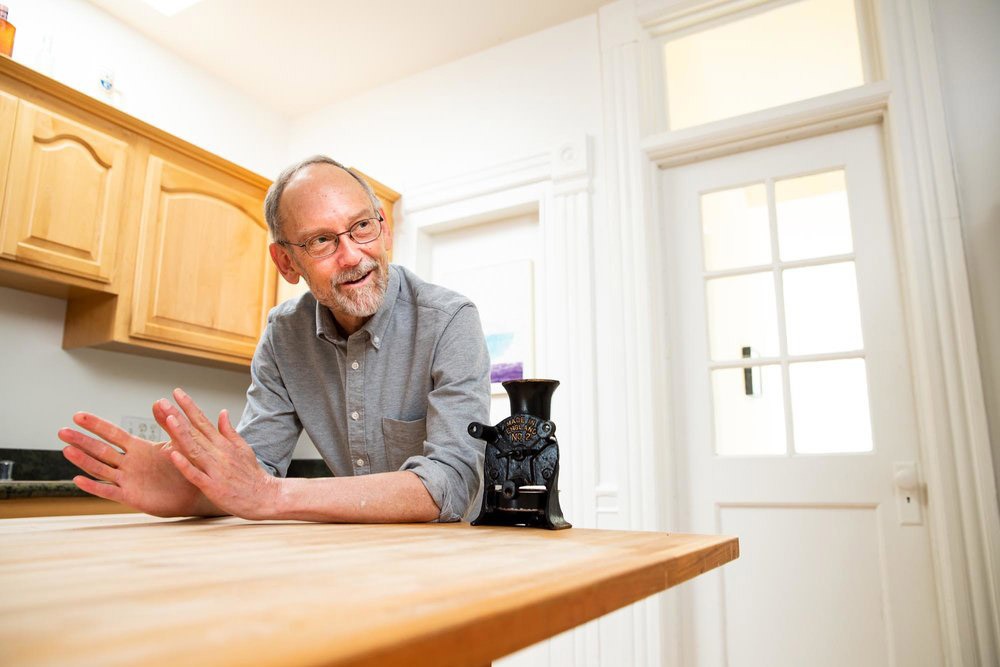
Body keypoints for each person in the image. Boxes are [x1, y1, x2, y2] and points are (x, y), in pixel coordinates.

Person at [58, 156, 491, 523]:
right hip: (355, 554)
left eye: (362, 226)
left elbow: (452, 481)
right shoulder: (284, 334)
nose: (352, 255)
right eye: (321, 240)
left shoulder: (450, 321)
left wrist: (273, 495)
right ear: (286, 262)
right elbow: (253, 473)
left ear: (385, 228)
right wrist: (185, 488)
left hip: (453, 552)